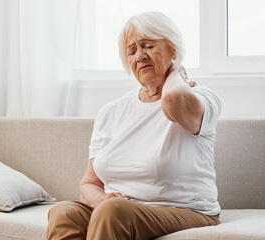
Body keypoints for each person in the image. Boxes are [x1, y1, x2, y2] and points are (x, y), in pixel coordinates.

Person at [47, 11, 221, 240]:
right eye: (131, 51)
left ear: (173, 49)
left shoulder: (201, 98)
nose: (139, 56)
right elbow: (89, 182)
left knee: (112, 212)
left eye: (148, 46)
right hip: (120, 210)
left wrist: (175, 72)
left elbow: (172, 100)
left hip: (186, 210)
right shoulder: (111, 112)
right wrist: (100, 200)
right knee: (63, 213)